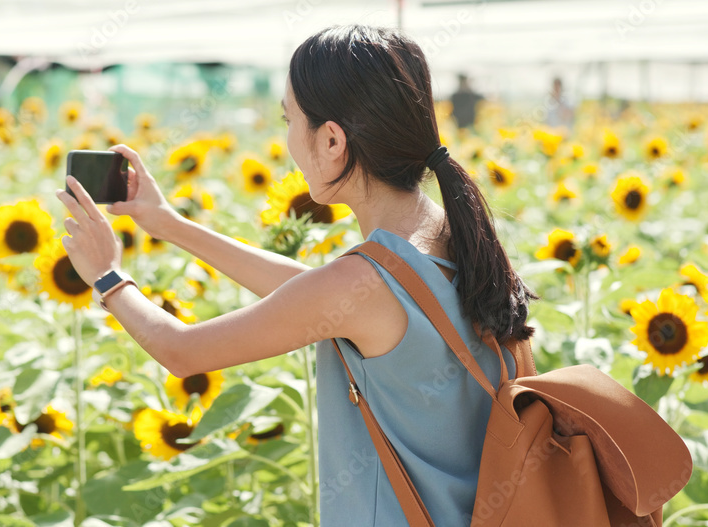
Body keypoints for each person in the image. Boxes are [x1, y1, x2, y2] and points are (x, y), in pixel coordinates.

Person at [55, 24, 537, 526]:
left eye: (289, 120)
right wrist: (171, 226)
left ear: (331, 139)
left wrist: (106, 277)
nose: (286, 139)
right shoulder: (448, 234)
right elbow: (316, 293)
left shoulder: (363, 281)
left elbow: (183, 352)